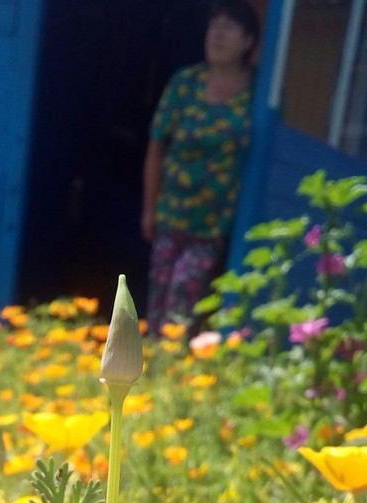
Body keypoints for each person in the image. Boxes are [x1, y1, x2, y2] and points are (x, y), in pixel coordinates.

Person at [142, 0, 260, 335]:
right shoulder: (185, 83)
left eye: (228, 27)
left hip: (212, 225)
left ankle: (169, 364)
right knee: (156, 303)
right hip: (171, 216)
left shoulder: (257, 93)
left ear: (249, 41)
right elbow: (156, 146)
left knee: (182, 294)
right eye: (213, 25)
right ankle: (152, 370)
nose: (217, 34)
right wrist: (149, 208)